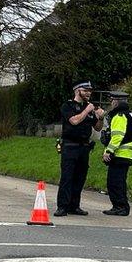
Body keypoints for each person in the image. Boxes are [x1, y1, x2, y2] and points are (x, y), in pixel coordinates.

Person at [54, 81, 104, 217]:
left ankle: (74, 206)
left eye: (90, 91)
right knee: (67, 177)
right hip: (70, 146)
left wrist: (100, 117)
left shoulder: (90, 108)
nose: (89, 93)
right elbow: (74, 121)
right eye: (86, 90)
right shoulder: (68, 106)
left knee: (80, 177)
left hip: (84, 147)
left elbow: (97, 127)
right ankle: (62, 206)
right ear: (77, 91)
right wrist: (86, 111)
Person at [102, 90, 132, 216]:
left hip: (119, 154)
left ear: (116, 102)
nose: (110, 103)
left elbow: (117, 136)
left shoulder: (119, 116)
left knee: (115, 183)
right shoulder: (128, 114)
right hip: (125, 154)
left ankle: (120, 207)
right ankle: (120, 206)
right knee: (119, 182)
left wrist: (108, 151)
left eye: (111, 100)